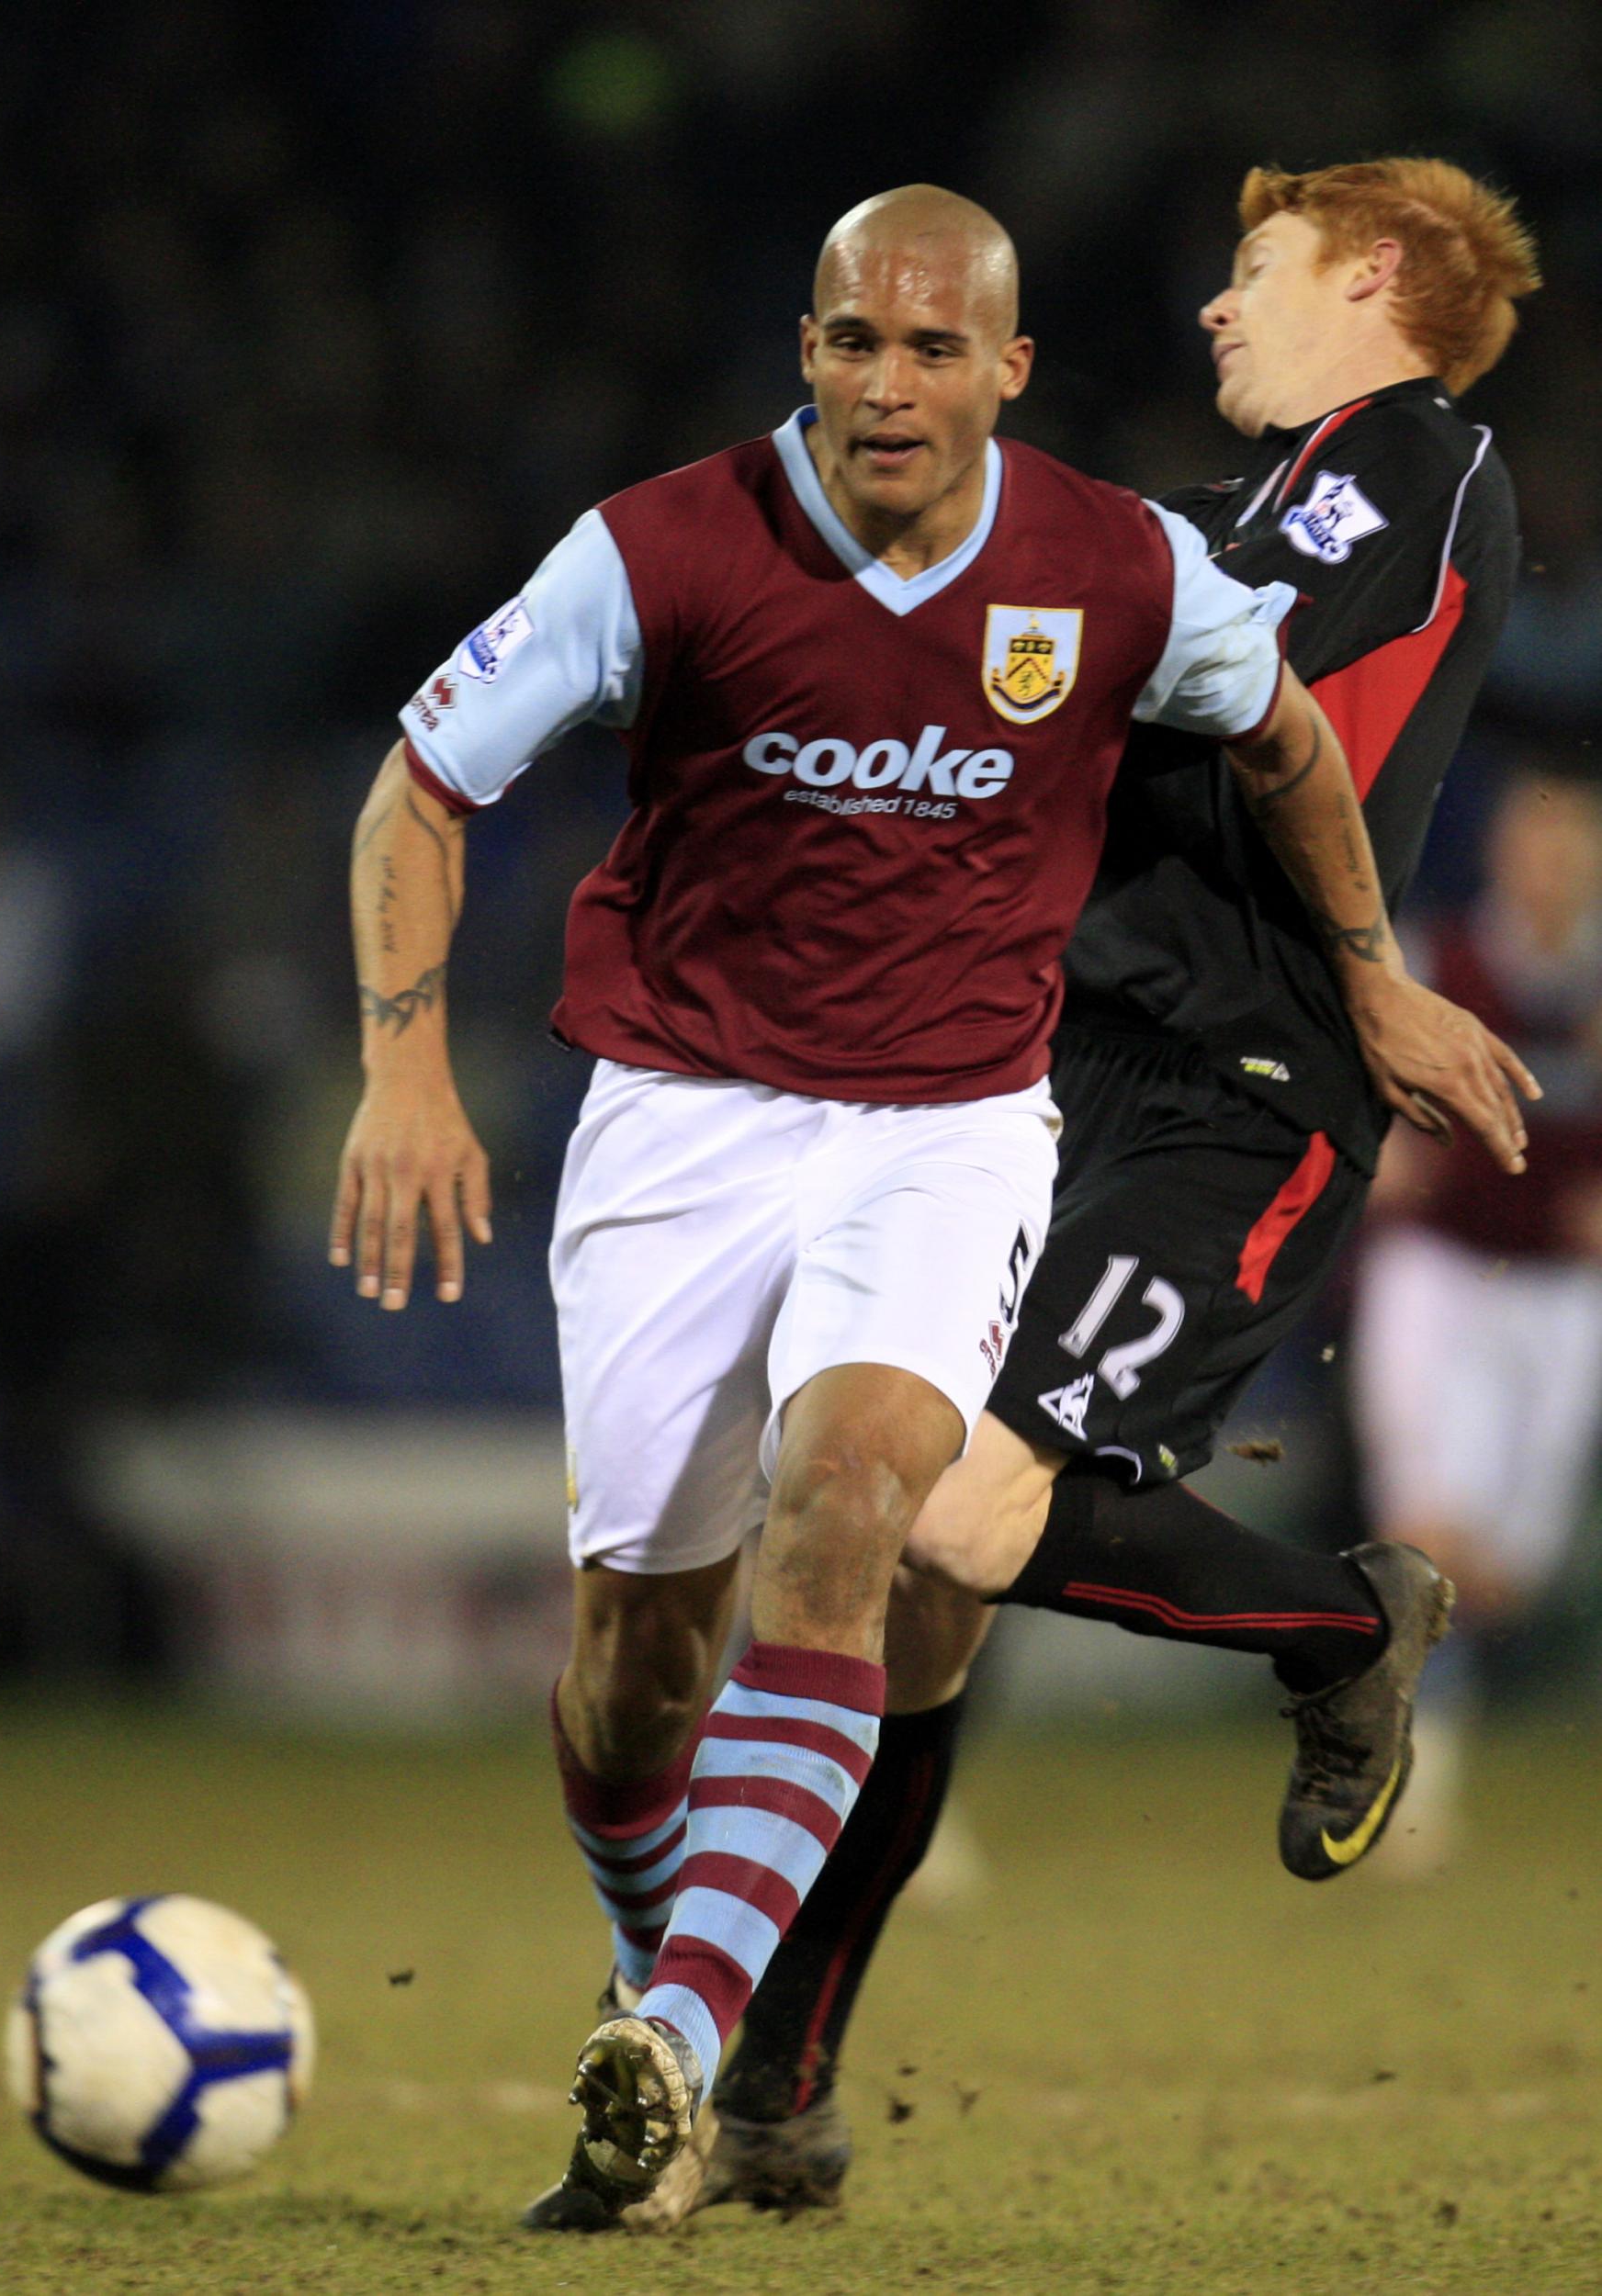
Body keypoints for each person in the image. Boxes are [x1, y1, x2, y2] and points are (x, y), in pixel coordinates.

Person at [330, 182, 1529, 2226]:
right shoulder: (753, 533)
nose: (1218, 304)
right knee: (842, 1608)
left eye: (1254, 270)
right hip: (997, 1055)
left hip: (1214, 1086)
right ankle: (776, 2067)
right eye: (852, 343)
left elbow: (1247, 711)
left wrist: (1364, 967)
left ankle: (1338, 1623)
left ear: (1371, 283)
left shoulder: (1384, 474)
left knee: (928, 1496)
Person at [1350, 755, 1602, 1874]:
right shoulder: (1433, 959)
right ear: (1501, 853)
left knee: (1505, 1569)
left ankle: (1417, 1732)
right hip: (1441, 1275)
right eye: (1534, 843)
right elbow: (1348, 1084)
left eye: (1570, 847)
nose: (1550, 868)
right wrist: (1378, 1150)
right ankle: (1410, 1781)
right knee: (1428, 1529)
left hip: (1561, 1292)